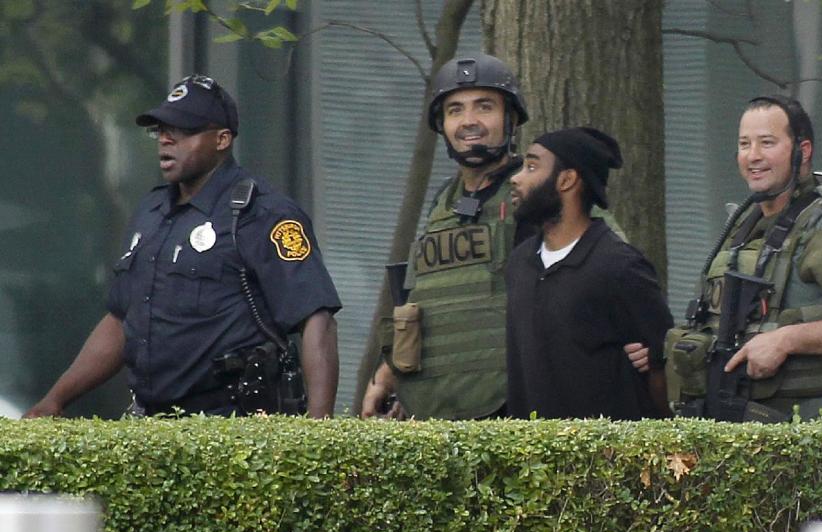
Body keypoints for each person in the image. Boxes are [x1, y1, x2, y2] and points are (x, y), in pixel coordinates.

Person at [25, 74, 341, 419]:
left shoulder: (263, 214)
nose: (165, 140)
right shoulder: (151, 212)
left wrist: (318, 427)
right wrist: (55, 399)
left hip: (236, 425)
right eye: (160, 130)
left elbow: (316, 318)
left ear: (222, 139)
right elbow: (121, 319)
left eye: (182, 131)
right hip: (150, 423)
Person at [360, 53, 646, 420]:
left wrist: (642, 343)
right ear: (441, 125)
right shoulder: (442, 205)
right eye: (455, 110)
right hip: (433, 414)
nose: (469, 122)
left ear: (510, 118)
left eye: (484, 107)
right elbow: (427, 305)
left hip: (518, 411)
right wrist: (389, 377)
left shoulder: (542, 195)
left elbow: (619, 272)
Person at [666, 95, 822, 424]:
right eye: (744, 144)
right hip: (760, 427)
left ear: (802, 151)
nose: (753, 156)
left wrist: (785, 339)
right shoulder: (746, 226)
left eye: (767, 142)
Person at [505, 127, 674, 420]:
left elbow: (662, 369)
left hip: (604, 460)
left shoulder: (620, 267)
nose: (516, 178)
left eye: (532, 166)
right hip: (529, 459)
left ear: (567, 179)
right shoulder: (520, 263)